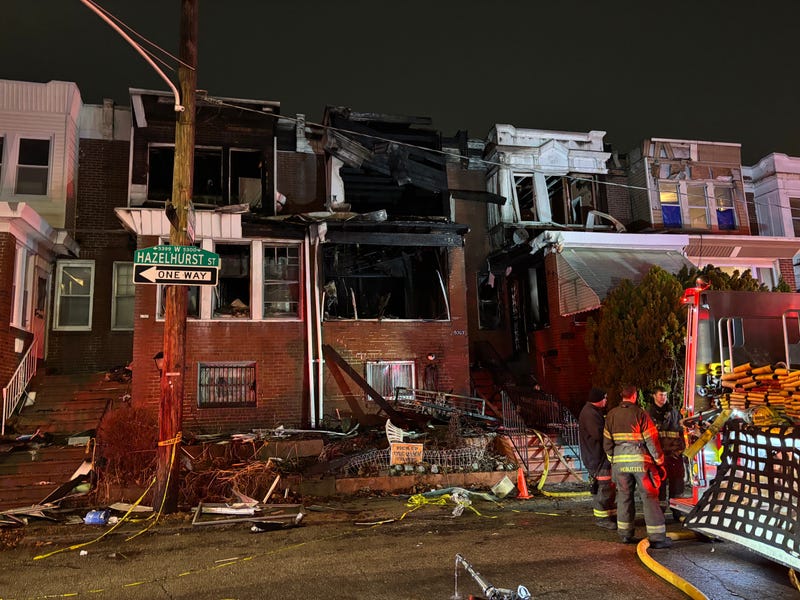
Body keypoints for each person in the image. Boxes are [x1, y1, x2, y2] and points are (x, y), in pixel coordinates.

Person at [603, 385, 672, 549]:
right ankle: (657, 537)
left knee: (624, 497)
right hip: (640, 463)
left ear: (622, 396)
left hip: (620, 464)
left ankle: (625, 534)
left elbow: (607, 442)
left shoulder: (611, 415)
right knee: (649, 497)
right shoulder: (640, 413)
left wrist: (614, 459)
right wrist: (659, 461)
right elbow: (652, 440)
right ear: (634, 396)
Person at [579, 387, 617, 529]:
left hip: (597, 457)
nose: (606, 401)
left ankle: (611, 515)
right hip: (597, 459)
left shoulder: (592, 412)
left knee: (608, 487)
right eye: (605, 398)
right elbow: (598, 434)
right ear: (598, 399)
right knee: (604, 488)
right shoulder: (590, 414)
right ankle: (602, 519)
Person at [647, 386, 686, 516]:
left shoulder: (674, 412)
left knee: (677, 483)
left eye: (664, 395)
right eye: (660, 395)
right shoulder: (649, 414)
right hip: (658, 456)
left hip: (674, 455)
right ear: (654, 396)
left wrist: (680, 451)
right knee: (660, 485)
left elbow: (681, 433)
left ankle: (677, 511)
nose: (663, 398)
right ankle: (660, 512)